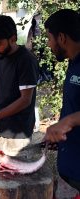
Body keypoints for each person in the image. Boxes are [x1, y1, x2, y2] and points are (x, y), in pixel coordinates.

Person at [0, 15, 39, 157]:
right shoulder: (0, 56)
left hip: (18, 133)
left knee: (14, 176)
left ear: (13, 38)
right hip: (0, 127)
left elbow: (25, 100)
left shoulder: (26, 60)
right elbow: (2, 86)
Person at [44, 9, 80, 192]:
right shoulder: (73, 63)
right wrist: (61, 131)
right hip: (70, 164)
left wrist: (69, 121)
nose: (49, 45)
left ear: (62, 37)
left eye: (50, 39)